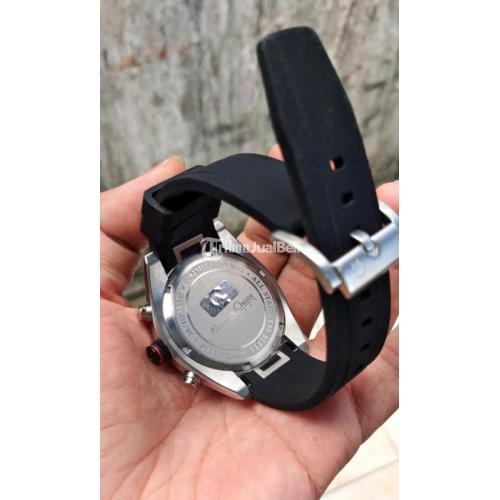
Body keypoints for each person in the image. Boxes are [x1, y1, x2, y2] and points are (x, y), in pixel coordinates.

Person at [100, 145, 399, 499]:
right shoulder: (170, 271)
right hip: (222, 313)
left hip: (237, 293)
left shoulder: (212, 247)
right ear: (167, 350)